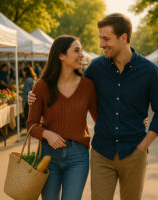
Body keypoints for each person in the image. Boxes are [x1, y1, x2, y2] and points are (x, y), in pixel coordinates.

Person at [28, 13, 158, 200]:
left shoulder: (150, 71)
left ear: (123, 38)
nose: (101, 44)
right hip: (102, 152)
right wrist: (34, 97)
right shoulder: (96, 68)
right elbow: (71, 88)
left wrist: (144, 145)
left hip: (134, 150)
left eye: (106, 39)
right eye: (100, 38)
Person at [26, 35, 97, 200]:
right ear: (61, 55)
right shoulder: (42, 86)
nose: (82, 55)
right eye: (77, 50)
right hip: (48, 156)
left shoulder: (88, 86)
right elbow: (30, 124)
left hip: (78, 156)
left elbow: (102, 118)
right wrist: (46, 134)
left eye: (81, 51)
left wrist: (134, 119)